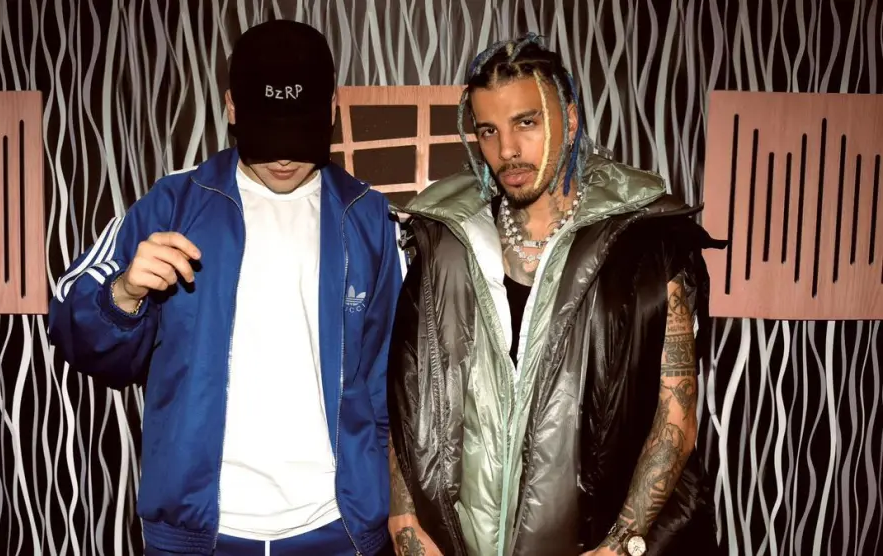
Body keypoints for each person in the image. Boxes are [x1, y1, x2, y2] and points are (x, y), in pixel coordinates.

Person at [48, 19, 400, 556]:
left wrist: (389, 507)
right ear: (232, 108)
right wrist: (124, 294)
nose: (284, 156)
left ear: (331, 109)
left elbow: (395, 382)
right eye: (268, 134)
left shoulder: (369, 218)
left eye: (300, 132)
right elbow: (72, 327)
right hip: (200, 532)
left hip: (338, 528)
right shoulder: (173, 204)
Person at [385, 34, 724, 556]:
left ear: (568, 117)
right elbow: (410, 395)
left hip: (591, 539)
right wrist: (404, 514)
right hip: (460, 541)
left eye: (526, 123)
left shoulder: (645, 243)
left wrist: (622, 542)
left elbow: (675, 412)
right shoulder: (445, 238)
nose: (507, 150)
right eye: (488, 131)